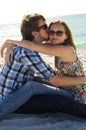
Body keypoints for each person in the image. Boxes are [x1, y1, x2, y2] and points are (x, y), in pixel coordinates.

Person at [0, 14, 86, 120]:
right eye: (46, 28)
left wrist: (11, 43)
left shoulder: (62, 49)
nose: (51, 32)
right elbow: (30, 46)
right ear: (35, 33)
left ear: (66, 35)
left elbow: (30, 45)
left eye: (59, 32)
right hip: (15, 100)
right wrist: (11, 43)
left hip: (73, 91)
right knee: (35, 85)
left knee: (35, 83)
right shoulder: (29, 52)